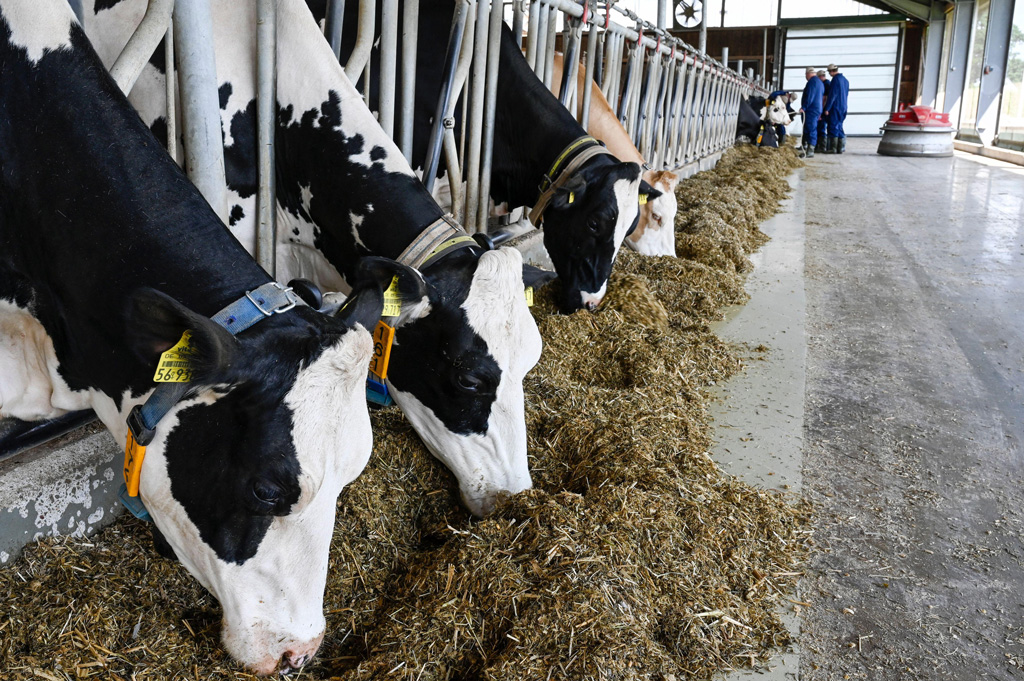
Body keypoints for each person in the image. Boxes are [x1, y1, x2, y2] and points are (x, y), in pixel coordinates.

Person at [824, 63, 850, 154]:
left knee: (833, 126)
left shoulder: (835, 80)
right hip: (843, 107)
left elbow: (832, 95)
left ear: (831, 71)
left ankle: (833, 148)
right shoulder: (845, 80)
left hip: (835, 107)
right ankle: (840, 148)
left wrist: (827, 108)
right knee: (839, 126)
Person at [799, 66, 824, 157]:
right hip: (816, 108)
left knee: (811, 129)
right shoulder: (819, 82)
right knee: (809, 127)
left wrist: (804, 107)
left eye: (806, 74)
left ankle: (810, 151)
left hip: (811, 109)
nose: (805, 76)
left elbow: (810, 96)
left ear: (808, 74)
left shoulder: (812, 82)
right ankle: (805, 146)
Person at [816, 70, 830, 154]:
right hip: (825, 109)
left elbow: (824, 99)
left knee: (821, 128)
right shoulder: (827, 83)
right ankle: (822, 146)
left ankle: (822, 146)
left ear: (820, 77)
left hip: (823, 110)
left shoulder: (825, 84)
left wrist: (820, 111)